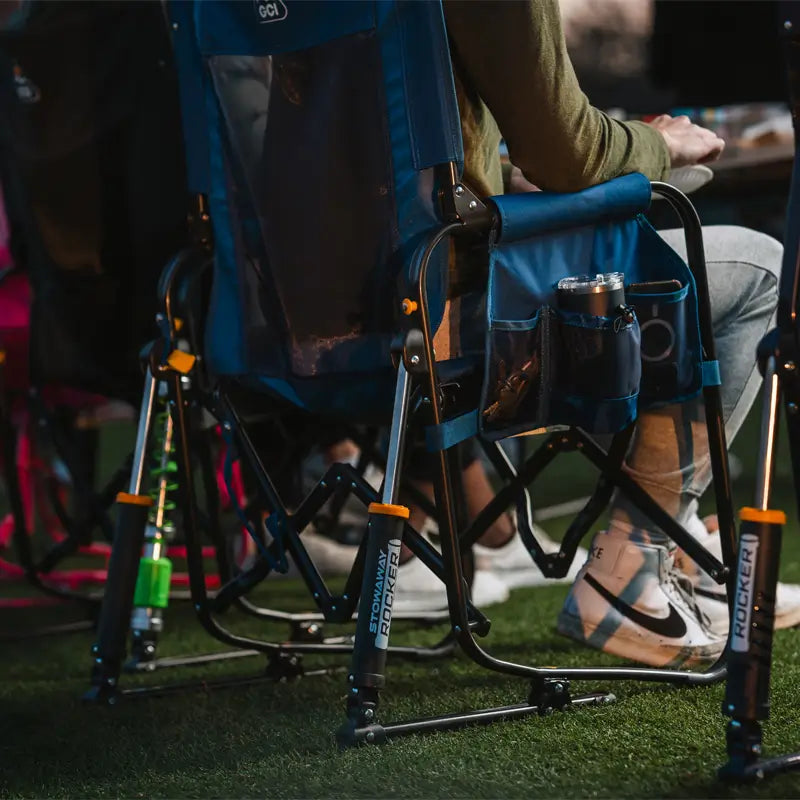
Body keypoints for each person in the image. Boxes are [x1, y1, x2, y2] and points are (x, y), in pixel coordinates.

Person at [433, 0, 800, 668]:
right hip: (470, 319)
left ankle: (679, 544)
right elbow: (567, 150)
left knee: (643, 269)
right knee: (759, 270)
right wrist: (660, 142)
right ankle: (630, 562)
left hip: (304, 332)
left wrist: (497, 177)